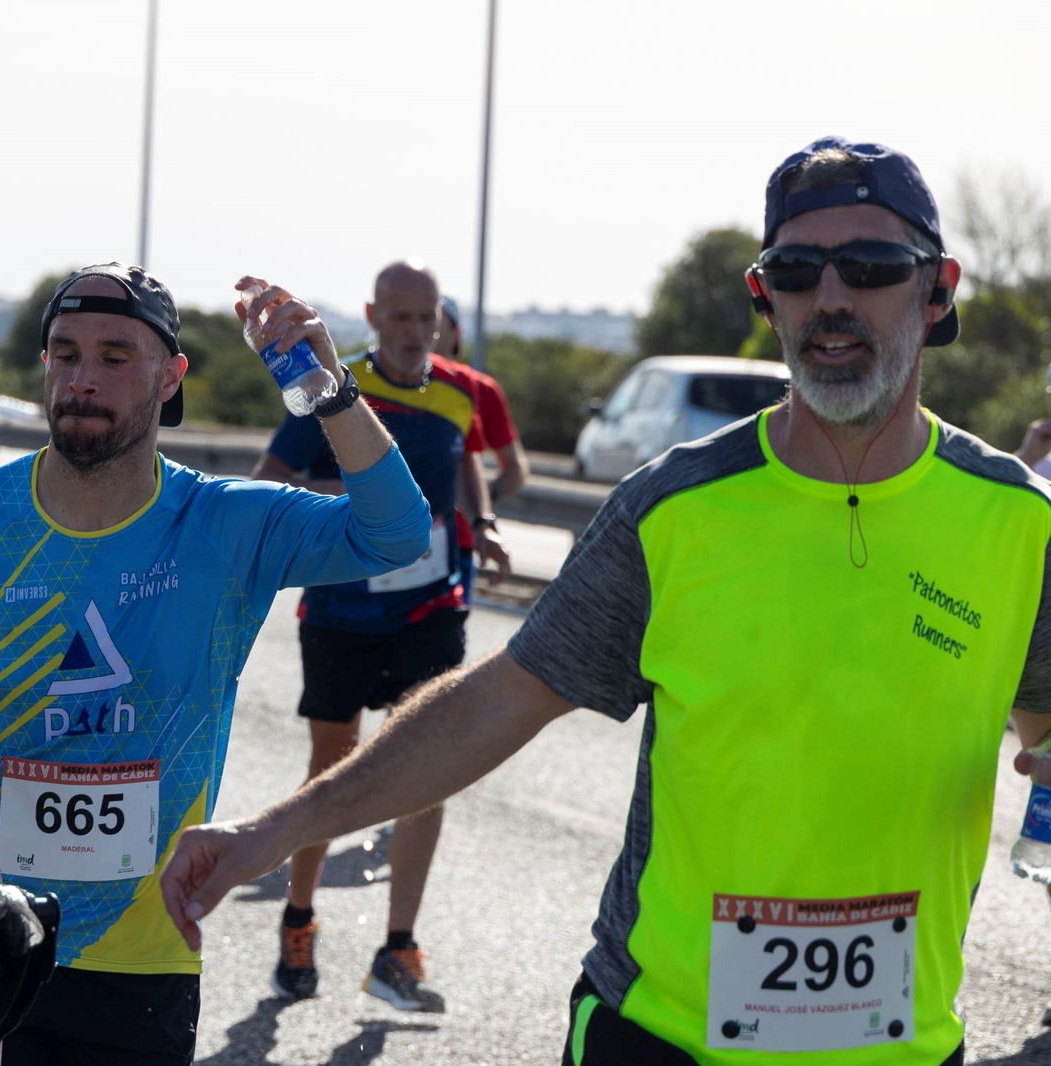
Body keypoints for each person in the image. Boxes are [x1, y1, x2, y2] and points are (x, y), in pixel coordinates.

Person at [164, 137, 1051, 1066]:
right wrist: (271, 832)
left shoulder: (1019, 525)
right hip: (662, 1039)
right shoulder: (673, 509)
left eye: (870, 267)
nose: (830, 298)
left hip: (904, 1050)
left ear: (938, 289)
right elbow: (500, 700)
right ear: (765, 297)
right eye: (796, 270)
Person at [0, 264, 430, 1064]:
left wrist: (330, 390)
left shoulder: (226, 523)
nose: (82, 378)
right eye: (65, 354)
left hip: (137, 957)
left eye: (115, 357)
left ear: (171, 377)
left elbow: (397, 534)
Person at [248, 261, 504, 1011]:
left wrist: (481, 523)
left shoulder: (459, 390)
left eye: (427, 318)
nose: (415, 333)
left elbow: (469, 466)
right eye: (399, 319)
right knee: (334, 766)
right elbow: (273, 474)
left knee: (430, 765)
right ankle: (299, 917)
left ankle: (398, 948)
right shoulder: (332, 384)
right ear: (372, 315)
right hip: (342, 613)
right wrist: (340, 508)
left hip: (431, 608)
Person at [439, 295, 528, 596]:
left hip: (456, 548)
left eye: (432, 321)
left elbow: (515, 469)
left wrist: (476, 506)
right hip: (387, 541)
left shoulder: (480, 390)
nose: (421, 331)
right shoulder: (376, 381)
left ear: (456, 334)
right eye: (406, 318)